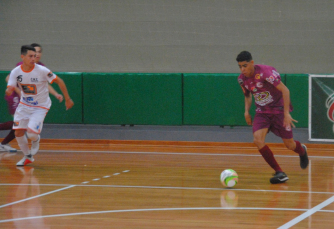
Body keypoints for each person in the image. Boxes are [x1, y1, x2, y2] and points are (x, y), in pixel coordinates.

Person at [236, 51, 309, 184]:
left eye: (245, 66)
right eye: (240, 66)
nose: (242, 69)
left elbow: (285, 90)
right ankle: (279, 172)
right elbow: (247, 96)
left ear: (252, 63)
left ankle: (302, 150)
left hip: (279, 110)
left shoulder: (265, 72)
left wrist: (286, 114)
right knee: (258, 140)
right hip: (262, 112)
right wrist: (246, 111)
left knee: (290, 145)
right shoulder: (242, 79)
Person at [6, 45, 74, 166]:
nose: (33, 58)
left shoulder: (42, 70)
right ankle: (27, 157)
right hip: (24, 105)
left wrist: (67, 99)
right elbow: (10, 86)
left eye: (35, 56)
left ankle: (36, 140)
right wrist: (9, 91)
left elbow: (60, 81)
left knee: (31, 133)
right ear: (23, 57)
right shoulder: (16, 72)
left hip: (40, 106)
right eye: (30, 56)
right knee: (18, 133)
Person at [0, 43, 63, 152]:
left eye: (39, 52)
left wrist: (56, 94)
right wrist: (18, 91)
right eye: (34, 52)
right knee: (18, 125)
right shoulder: (21, 65)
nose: (37, 54)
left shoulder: (41, 68)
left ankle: (4, 143)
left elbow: (44, 84)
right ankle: (4, 143)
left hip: (32, 100)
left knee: (20, 127)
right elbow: (8, 78)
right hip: (17, 97)